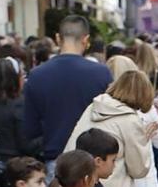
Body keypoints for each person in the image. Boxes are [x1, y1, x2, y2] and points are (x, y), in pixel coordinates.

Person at [21, 16, 111, 163]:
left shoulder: (37, 75)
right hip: (92, 158)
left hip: (54, 155)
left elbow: (30, 127)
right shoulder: (101, 73)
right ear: (85, 39)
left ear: (57, 38)